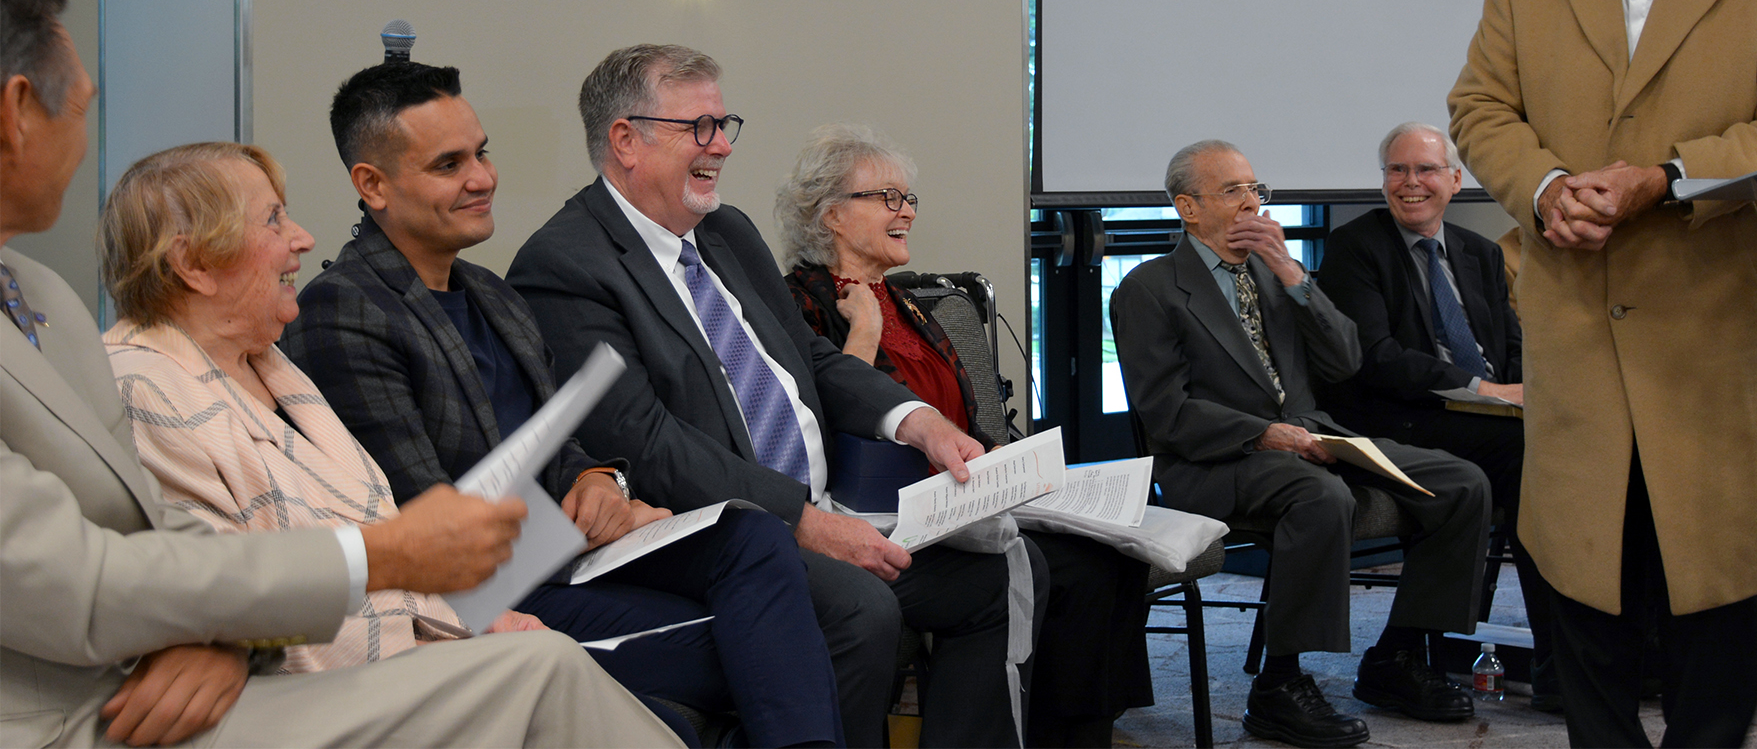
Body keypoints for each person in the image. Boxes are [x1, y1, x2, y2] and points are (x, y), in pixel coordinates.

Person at [0, 0, 680, 749]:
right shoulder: (306, 326)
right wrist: (376, 564)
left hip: (313, 640)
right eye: (81, 107)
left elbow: (162, 540)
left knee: (707, 590)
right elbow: (71, 578)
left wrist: (232, 635)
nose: (303, 239)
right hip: (96, 712)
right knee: (550, 672)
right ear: (19, 111)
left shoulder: (41, 293)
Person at [281, 61, 842, 748]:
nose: (482, 178)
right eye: (448, 164)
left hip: (566, 557)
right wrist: (580, 510)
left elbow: (557, 439)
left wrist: (595, 479)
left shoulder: (492, 295)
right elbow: (423, 519)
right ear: (373, 184)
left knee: (752, 540)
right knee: (778, 650)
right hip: (485, 595)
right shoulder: (343, 311)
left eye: (481, 152)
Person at [507, 44, 1036, 749]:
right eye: (699, 127)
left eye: (725, 123)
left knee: (992, 578)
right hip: (717, 538)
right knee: (863, 611)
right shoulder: (565, 264)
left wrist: (918, 420)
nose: (722, 145)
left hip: (825, 509)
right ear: (625, 141)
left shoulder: (725, 232)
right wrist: (802, 523)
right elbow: (645, 443)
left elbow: (810, 359)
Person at [1448, 0, 1757, 747]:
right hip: (1578, 357)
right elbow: (1479, 107)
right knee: (1583, 605)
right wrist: (1549, 186)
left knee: (1714, 617)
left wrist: (1669, 177)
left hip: (1707, 356)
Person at [101, 141, 553, 677]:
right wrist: (453, 645)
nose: (303, 239)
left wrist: (479, 620)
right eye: (273, 220)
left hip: (412, 653)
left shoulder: (269, 365)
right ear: (194, 263)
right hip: (308, 696)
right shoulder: (143, 392)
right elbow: (227, 609)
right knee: (555, 669)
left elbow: (375, 543)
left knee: (559, 661)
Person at [776, 124, 1153, 748]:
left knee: (1112, 556)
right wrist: (862, 335)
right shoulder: (797, 305)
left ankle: (1078, 732)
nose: (906, 212)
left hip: (965, 499)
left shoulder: (916, 304)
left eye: (908, 198)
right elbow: (813, 433)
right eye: (886, 197)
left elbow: (970, 416)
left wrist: (1007, 462)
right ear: (832, 216)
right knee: (1064, 571)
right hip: (884, 517)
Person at [1111, 139, 1491, 749]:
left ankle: (1396, 657)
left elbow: (1344, 361)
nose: (1251, 203)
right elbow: (1167, 413)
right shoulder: (1150, 289)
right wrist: (1263, 433)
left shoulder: (1275, 271)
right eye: (1233, 191)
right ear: (1188, 207)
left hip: (1312, 434)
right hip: (1216, 459)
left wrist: (1292, 273)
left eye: (1256, 189)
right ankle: (1279, 686)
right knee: (1319, 496)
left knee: (1461, 481)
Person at [1314, 122, 1558, 708]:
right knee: (1528, 458)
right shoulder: (1355, 247)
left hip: (1483, 412)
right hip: (1393, 416)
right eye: (1397, 170)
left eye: (1425, 170)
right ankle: (1555, 660)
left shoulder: (1477, 252)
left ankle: (1604, 643)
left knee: (1576, 445)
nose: (1410, 182)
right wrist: (1485, 389)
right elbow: (1376, 359)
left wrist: (1527, 387)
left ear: (1454, 180)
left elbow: (1511, 340)